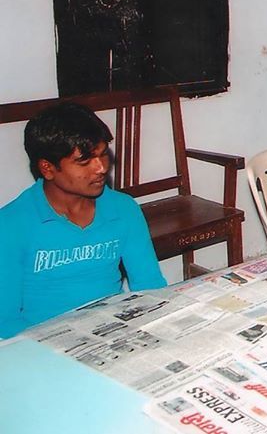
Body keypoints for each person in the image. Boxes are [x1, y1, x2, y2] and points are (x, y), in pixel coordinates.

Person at [0, 103, 166, 338]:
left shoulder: (123, 209)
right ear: (47, 168)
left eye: (102, 155)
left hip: (112, 331)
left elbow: (149, 286)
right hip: (43, 341)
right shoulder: (10, 224)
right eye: (85, 160)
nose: (100, 168)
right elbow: (5, 320)